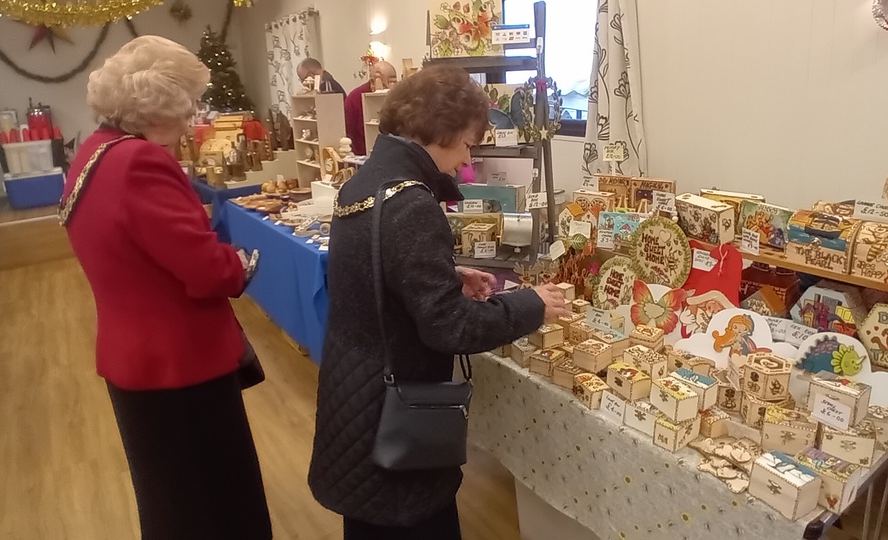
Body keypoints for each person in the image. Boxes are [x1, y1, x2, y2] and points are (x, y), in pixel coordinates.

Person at [308, 65, 570, 540]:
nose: (467, 161)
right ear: (442, 130)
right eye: (468, 143)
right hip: (392, 406)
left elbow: (373, 269)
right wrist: (531, 305)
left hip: (355, 388)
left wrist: (446, 274)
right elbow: (451, 329)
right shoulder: (411, 203)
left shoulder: (369, 182)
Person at [62, 36, 270, 540]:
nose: (192, 121)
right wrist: (236, 265)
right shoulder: (140, 162)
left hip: (135, 356)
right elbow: (205, 270)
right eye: (186, 108)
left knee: (171, 501)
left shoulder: (93, 152)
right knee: (218, 505)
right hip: (178, 362)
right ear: (157, 107)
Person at [344, 61, 398, 155]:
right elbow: (351, 132)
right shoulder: (354, 98)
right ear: (373, 81)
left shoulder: (398, 93)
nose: (393, 85)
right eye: (390, 81)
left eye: (394, 81)